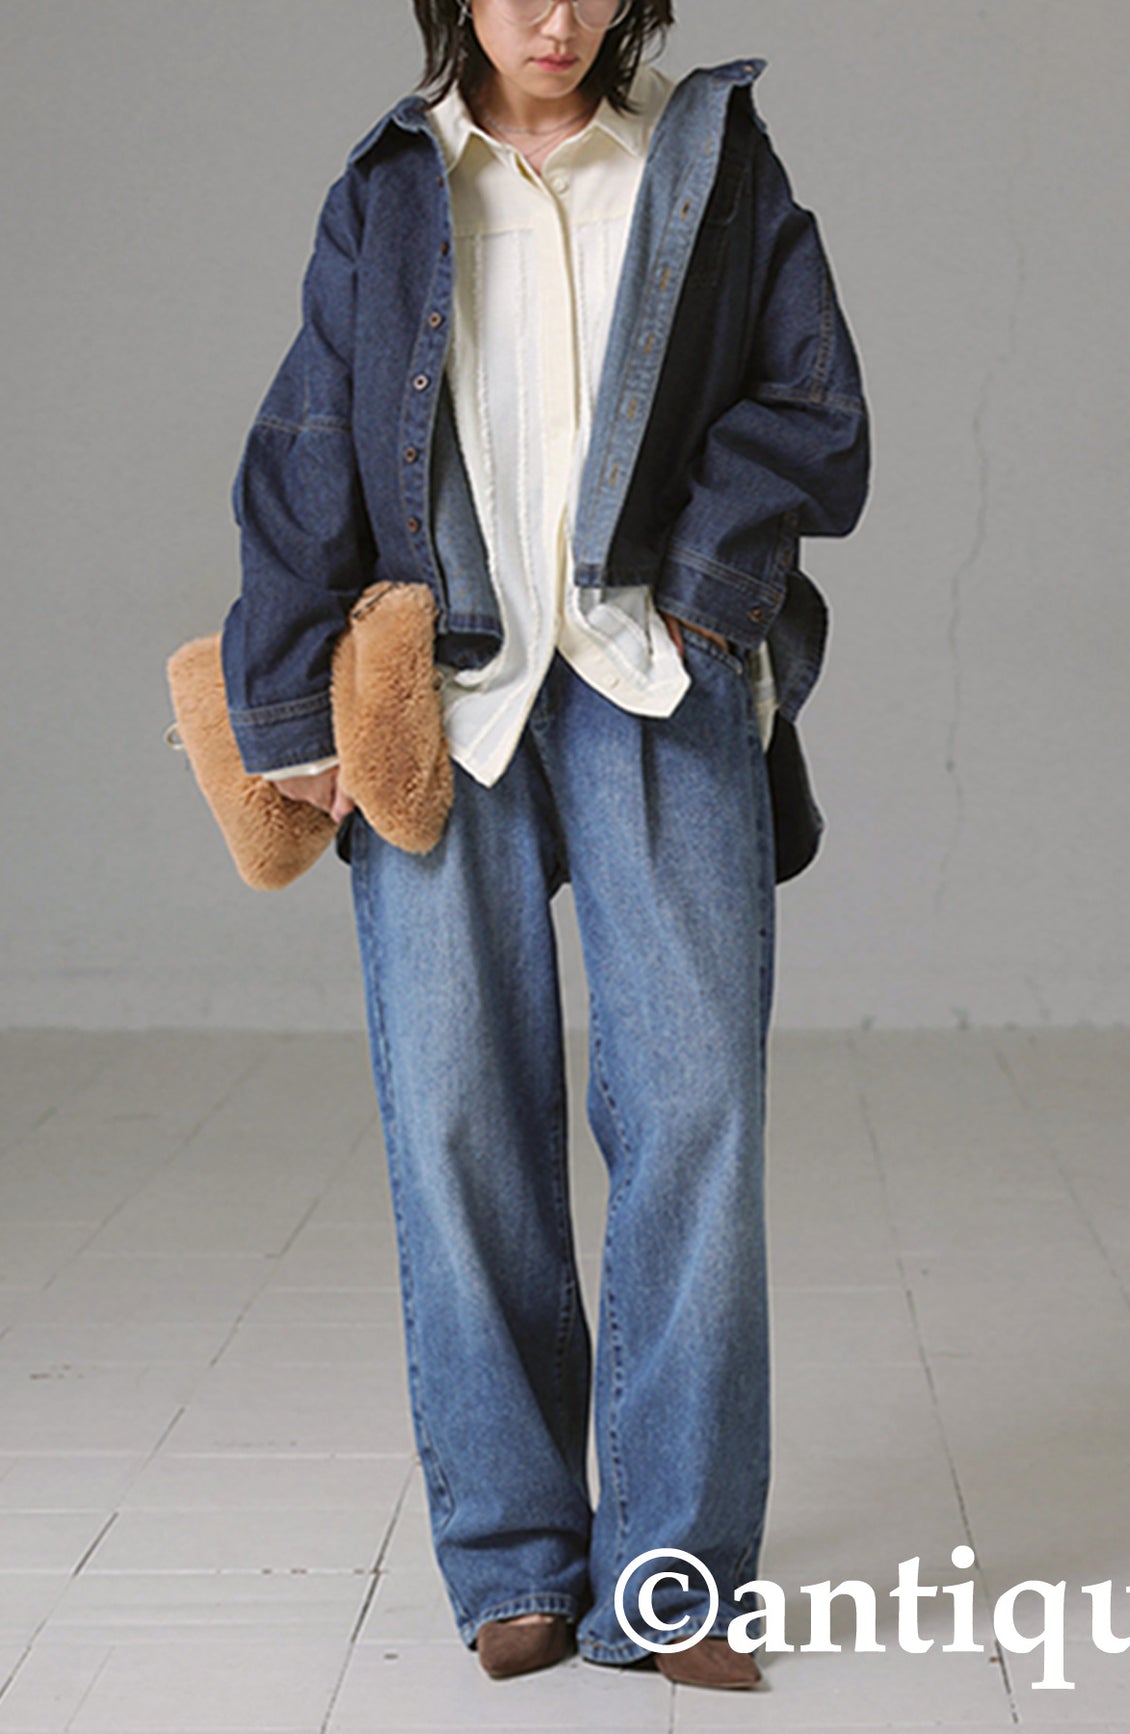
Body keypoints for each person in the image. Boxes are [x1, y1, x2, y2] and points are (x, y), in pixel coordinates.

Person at [222, 0, 870, 1690]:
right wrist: (290, 705)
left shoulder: (707, 163)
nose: (554, 19)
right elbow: (305, 445)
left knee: (696, 1110)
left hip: (655, 678)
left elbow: (811, 402)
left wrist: (711, 592)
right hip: (444, 703)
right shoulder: (390, 189)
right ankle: (513, 1551)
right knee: (455, 1118)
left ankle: (673, 1571)